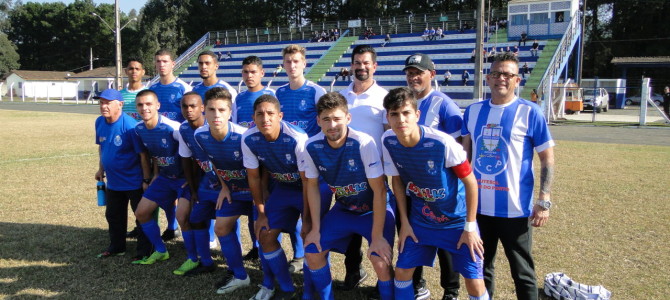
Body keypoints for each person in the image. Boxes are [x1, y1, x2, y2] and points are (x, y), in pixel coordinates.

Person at [461, 53, 555, 300]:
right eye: (496, 74)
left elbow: (547, 158)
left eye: (507, 74)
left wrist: (544, 200)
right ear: (488, 78)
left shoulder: (530, 112)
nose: (501, 79)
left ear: (517, 80)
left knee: (522, 271)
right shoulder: (472, 111)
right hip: (478, 208)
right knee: (481, 267)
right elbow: (464, 157)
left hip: (516, 208)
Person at [381, 87, 489, 300]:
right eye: (394, 114)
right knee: (402, 272)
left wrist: (470, 226)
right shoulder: (388, 141)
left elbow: (470, 182)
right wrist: (405, 224)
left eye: (406, 113)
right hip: (421, 221)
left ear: (417, 115)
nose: (400, 119)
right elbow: (397, 182)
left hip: (456, 222)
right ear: (388, 117)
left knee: (474, 282)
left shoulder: (443, 143)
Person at [303, 92, 395, 300]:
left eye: (337, 118)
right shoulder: (311, 146)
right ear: (318, 121)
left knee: (380, 260)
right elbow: (312, 187)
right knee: (312, 249)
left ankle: (388, 294)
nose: (332, 124)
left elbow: (380, 191)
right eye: (326, 119)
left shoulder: (363, 143)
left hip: (374, 209)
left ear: (348, 118)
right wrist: (315, 228)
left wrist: (378, 236)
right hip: (345, 209)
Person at [242, 95, 331, 300]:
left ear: (280, 116)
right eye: (260, 114)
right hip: (284, 187)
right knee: (265, 234)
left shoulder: (296, 138)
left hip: (314, 187)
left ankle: (309, 293)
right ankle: (287, 289)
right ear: (253, 117)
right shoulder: (248, 138)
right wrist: (261, 212)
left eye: (271, 113)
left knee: (310, 238)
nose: (266, 118)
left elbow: (309, 181)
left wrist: (307, 220)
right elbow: (254, 178)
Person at [404, 53, 465, 300]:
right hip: (412, 187)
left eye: (419, 72)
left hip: (441, 189)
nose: (414, 77)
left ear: (432, 74)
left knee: (446, 242)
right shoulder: (406, 101)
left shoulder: (444, 104)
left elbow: (461, 146)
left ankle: (451, 290)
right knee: (414, 236)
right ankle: (417, 284)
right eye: (410, 73)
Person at [338, 44, 390, 292]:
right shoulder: (341, 96)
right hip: (344, 173)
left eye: (366, 63)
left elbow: (389, 134)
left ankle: (384, 277)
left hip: (374, 172)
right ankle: (353, 269)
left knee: (376, 223)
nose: (361, 67)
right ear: (351, 66)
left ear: (374, 66)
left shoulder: (384, 97)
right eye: (357, 62)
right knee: (350, 222)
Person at [192, 88, 255, 292]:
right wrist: (225, 187)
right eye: (211, 109)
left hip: (256, 190)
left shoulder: (244, 137)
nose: (216, 115)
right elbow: (213, 160)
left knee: (264, 233)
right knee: (221, 228)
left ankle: (272, 278)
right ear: (204, 111)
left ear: (230, 113)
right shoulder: (200, 135)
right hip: (233, 189)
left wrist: (260, 197)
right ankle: (240, 275)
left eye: (221, 110)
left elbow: (260, 170)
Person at [131, 90, 193, 269]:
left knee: (182, 217)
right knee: (141, 213)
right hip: (165, 178)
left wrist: (192, 179)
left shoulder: (173, 128)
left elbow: (192, 152)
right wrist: (155, 174)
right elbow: (154, 153)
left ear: (158, 106)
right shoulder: (139, 129)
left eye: (149, 104)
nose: (145, 108)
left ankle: (193, 258)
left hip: (183, 179)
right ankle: (160, 250)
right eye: (141, 105)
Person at [94, 89, 152, 261]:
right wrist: (101, 168)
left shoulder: (130, 126)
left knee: (141, 217)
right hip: (113, 182)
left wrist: (146, 180)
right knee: (113, 215)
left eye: (108, 102)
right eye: (101, 102)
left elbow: (143, 155)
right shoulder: (99, 122)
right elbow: (102, 147)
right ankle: (117, 247)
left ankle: (144, 251)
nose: (104, 106)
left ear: (120, 104)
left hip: (134, 182)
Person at [233, 55, 277, 261]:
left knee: (269, 203)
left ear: (262, 73)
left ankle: (297, 254)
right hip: (247, 159)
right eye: (245, 72)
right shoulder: (239, 98)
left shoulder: (271, 95)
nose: (249, 76)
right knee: (254, 204)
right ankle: (256, 246)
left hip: (269, 161)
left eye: (253, 72)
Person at [176, 91, 222, 274]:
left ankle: (234, 262)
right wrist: (193, 187)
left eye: (193, 106)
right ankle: (203, 260)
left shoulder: (214, 126)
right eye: (185, 106)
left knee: (226, 222)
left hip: (226, 181)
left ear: (202, 108)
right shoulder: (184, 129)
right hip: (205, 181)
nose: (189, 110)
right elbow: (187, 160)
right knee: (193, 218)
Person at [276, 44, 327, 138]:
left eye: (296, 61)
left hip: (308, 148)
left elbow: (326, 122)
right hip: (286, 148)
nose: (292, 65)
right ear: (284, 65)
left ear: (304, 64)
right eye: (288, 62)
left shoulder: (317, 91)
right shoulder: (279, 92)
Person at [150, 49, 193, 124]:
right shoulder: (152, 89)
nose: (161, 64)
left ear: (173, 64)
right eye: (158, 61)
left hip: (177, 133)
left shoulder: (185, 88)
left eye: (165, 61)